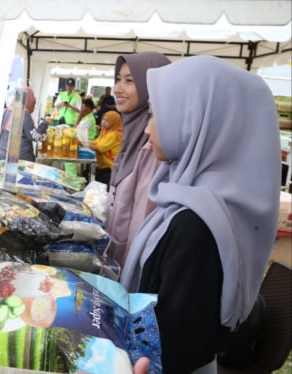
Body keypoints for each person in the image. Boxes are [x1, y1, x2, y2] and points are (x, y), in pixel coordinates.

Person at [120, 55, 280, 373]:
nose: (149, 129)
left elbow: (175, 344)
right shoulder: (198, 205)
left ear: (196, 121)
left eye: (156, 116)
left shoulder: (196, 226)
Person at [103, 52, 171, 267]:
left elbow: (142, 222)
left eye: (130, 81)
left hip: (129, 272)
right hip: (115, 263)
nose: (118, 88)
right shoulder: (132, 133)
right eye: (118, 79)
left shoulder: (155, 145)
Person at [81, 111, 123, 186]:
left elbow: (99, 148)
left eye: (107, 121)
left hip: (110, 168)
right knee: (86, 173)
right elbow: (95, 143)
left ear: (114, 122)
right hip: (104, 165)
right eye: (103, 119)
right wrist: (83, 142)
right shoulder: (105, 132)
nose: (103, 122)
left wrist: (83, 142)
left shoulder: (113, 134)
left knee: (99, 185)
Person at [0, 86, 37, 162]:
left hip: (4, 155)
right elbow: (34, 136)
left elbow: (1, 133)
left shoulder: (6, 111)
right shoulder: (24, 115)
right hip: (21, 159)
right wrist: (45, 124)